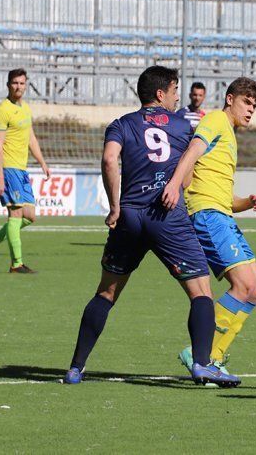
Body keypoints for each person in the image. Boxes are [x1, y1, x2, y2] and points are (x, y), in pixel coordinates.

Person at [63, 65, 240, 388]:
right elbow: (188, 171)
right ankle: (202, 364)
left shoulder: (122, 124)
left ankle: (76, 367)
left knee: (106, 292)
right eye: (174, 92)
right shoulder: (181, 126)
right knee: (200, 292)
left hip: (129, 216)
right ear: (160, 94)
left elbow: (108, 160)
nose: (176, 98)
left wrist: (115, 206)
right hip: (167, 217)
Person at [161, 77, 256, 375]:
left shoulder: (230, 134)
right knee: (243, 285)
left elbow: (223, 195)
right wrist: (173, 185)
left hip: (221, 214)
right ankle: (201, 353)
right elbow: (193, 150)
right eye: (247, 102)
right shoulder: (217, 120)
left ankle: (215, 355)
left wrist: (247, 201)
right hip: (207, 215)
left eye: (255, 106)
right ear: (230, 99)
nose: (251, 110)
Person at [0, 69, 51, 274]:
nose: (18, 87)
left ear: (26, 85)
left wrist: (42, 163)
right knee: (16, 214)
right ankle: (16, 264)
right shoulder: (3, 110)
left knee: (30, 216)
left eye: (22, 83)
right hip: (8, 169)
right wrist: (0, 178)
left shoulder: (25, 108)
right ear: (8, 85)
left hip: (22, 169)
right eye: (15, 83)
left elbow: (31, 138)